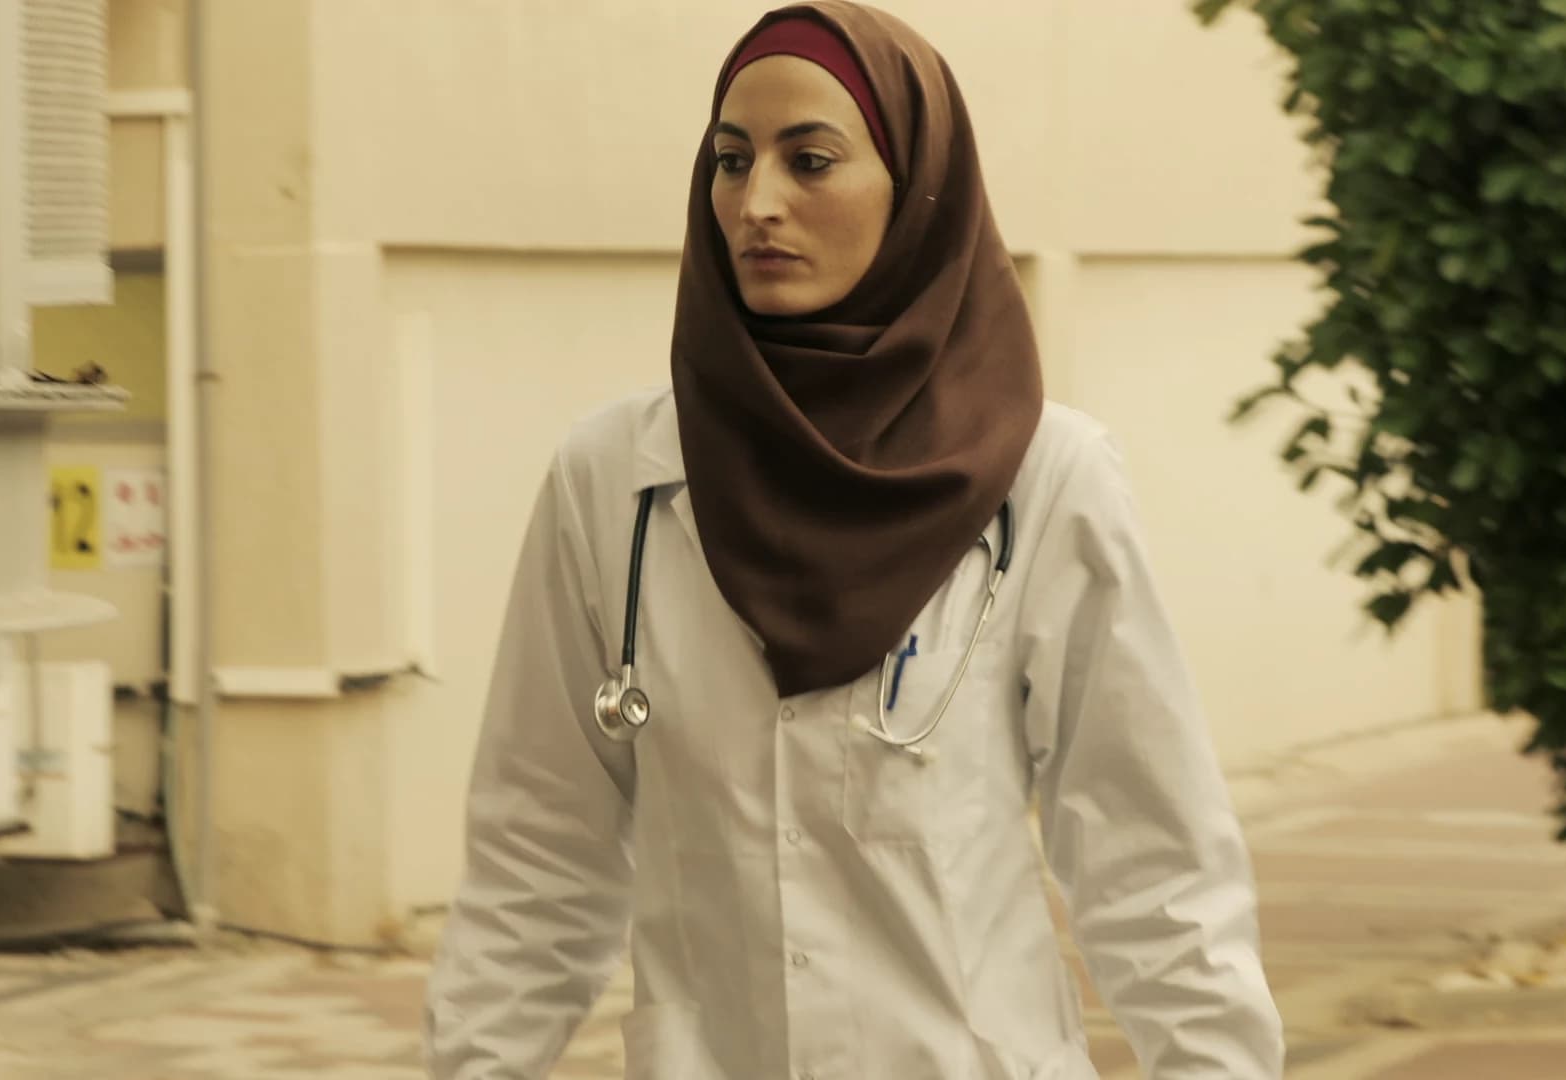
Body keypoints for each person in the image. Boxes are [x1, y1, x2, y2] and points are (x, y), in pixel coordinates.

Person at [423, 3, 1284, 1077]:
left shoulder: (1046, 479)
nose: (757, 203)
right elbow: (537, 857)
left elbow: (1150, 861)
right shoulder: (615, 482)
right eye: (731, 161)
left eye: (811, 160)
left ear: (917, 187)